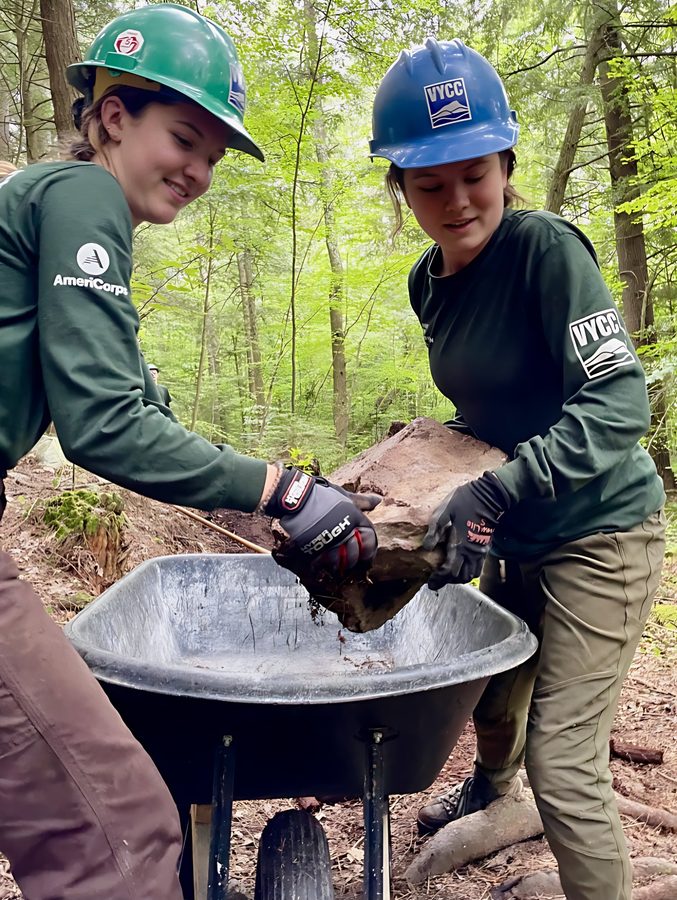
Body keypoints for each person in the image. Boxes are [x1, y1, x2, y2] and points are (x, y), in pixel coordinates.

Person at [0, 5, 378, 899]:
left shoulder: (57, 212)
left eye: (213, 154)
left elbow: (138, 403)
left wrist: (262, 494)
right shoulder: (80, 195)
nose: (200, 171)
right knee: (121, 837)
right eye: (184, 137)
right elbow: (104, 429)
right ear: (112, 115)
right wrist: (286, 492)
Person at [369, 38, 665, 900]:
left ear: (504, 160)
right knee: (491, 699)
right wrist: (431, 472)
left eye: (475, 173)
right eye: (430, 183)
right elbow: (492, 408)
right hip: (518, 535)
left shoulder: (546, 254)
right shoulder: (431, 284)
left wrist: (495, 488)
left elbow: (617, 404)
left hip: (602, 534)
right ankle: (496, 799)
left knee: (567, 765)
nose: (457, 200)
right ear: (401, 187)